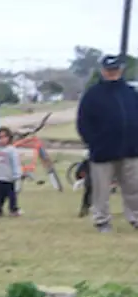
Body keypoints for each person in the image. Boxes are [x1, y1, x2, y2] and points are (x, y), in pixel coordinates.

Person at [76, 54, 138, 233]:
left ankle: (135, 218)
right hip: (102, 151)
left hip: (131, 149)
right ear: (103, 71)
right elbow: (83, 122)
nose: (112, 73)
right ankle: (102, 220)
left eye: (115, 69)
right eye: (109, 70)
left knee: (134, 187)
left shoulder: (130, 93)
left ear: (121, 70)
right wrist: (93, 142)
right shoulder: (93, 95)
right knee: (101, 190)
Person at [0, 126, 23, 217]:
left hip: (9, 178)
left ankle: (13, 209)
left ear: (9, 138)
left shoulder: (12, 150)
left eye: (4, 137)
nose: (2, 140)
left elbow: (16, 163)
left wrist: (17, 175)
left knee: (12, 196)